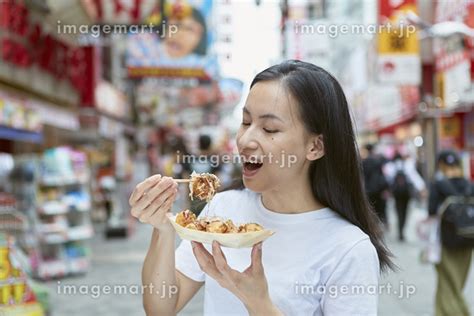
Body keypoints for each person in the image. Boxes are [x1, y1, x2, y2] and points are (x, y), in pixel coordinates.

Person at [130, 60, 394, 315]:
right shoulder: (222, 209)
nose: (245, 140)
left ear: (315, 147)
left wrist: (258, 303)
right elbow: (161, 308)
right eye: (246, 122)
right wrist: (163, 229)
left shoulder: (348, 249)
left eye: (269, 129)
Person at [428, 150, 474, 316]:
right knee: (457, 282)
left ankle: (461, 312)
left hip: (447, 241)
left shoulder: (438, 184)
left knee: (448, 283)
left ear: (441, 164)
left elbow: (431, 211)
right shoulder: (469, 184)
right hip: (469, 240)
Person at [386, 151, 426, 241]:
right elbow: (415, 177)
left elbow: (388, 179)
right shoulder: (408, 165)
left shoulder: (391, 167)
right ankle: (402, 229)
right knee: (405, 211)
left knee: (398, 211)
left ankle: (399, 230)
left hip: (397, 194)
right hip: (406, 193)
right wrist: (422, 189)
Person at [362, 144, 389, 226]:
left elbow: (363, 176)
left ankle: (374, 223)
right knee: (381, 207)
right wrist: (385, 188)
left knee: (372, 207)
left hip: (368, 189)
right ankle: (382, 222)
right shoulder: (378, 161)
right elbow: (382, 175)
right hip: (378, 188)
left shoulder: (364, 162)